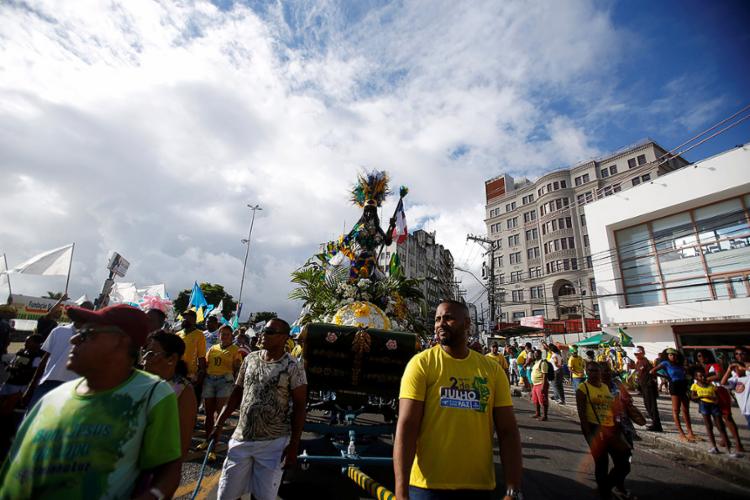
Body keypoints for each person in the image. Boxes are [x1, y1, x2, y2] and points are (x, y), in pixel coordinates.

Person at [0, 304, 181, 499]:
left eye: (88, 333)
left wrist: (153, 495)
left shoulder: (153, 394)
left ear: (120, 342)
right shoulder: (53, 398)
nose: (74, 339)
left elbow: (168, 469)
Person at [394, 300, 523, 500]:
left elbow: (508, 432)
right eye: (437, 319)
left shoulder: (492, 370)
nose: (440, 324)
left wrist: (512, 489)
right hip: (426, 488)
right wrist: (401, 492)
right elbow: (407, 427)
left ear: (467, 324)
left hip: (479, 488)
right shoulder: (421, 364)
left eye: (449, 318)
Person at [211, 318, 307, 500]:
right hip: (242, 439)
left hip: (274, 443)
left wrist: (294, 445)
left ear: (284, 337)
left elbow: (301, 407)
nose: (263, 335)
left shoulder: (293, 366)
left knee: (262, 496)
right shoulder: (250, 359)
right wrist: (218, 424)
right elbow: (236, 394)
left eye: (270, 332)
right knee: (226, 495)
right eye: (263, 331)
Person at [23, 301, 96, 411]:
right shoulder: (58, 331)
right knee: (32, 421)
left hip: (73, 388)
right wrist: (31, 386)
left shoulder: (94, 337)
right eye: (82, 310)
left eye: (88, 311)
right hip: (47, 384)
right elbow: (45, 360)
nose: (84, 314)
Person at [576, 362, 633, 500]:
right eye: (590, 370)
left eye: (596, 370)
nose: (593, 373)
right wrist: (589, 435)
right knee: (602, 464)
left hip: (611, 429)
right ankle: (605, 494)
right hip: (594, 428)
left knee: (624, 464)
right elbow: (582, 415)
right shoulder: (583, 389)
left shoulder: (605, 388)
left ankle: (604, 488)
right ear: (586, 371)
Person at [142, 330, 198, 458]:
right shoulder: (137, 381)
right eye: (144, 352)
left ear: (171, 359)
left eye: (151, 354)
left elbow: (182, 444)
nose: (145, 358)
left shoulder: (183, 391)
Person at [200, 325, 241, 460]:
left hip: (225, 382)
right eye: (222, 334)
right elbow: (206, 363)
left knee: (219, 415)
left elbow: (237, 368)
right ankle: (207, 440)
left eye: (227, 334)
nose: (224, 337)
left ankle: (214, 447)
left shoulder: (236, 350)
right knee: (208, 413)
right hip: (210, 380)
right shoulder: (212, 348)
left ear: (232, 336)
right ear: (219, 335)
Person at [697, 349, 744, 452]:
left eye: (701, 356)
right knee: (716, 418)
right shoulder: (700, 368)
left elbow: (719, 375)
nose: (699, 358)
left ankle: (738, 443)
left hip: (719, 391)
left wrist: (706, 379)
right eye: (698, 356)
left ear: (707, 356)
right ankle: (724, 439)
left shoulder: (715, 365)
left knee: (727, 417)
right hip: (707, 394)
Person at [650, 348, 696, 442]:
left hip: (683, 385)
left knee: (685, 410)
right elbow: (652, 371)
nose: (673, 356)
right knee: (676, 410)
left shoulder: (679, 364)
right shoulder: (665, 363)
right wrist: (666, 377)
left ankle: (690, 432)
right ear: (667, 356)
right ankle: (681, 433)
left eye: (674, 355)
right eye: (670, 355)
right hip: (674, 385)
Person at [690, 366, 735, 456]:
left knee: (720, 426)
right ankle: (714, 447)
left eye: (703, 376)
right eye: (700, 376)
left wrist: (715, 399)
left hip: (714, 405)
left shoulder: (711, 385)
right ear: (696, 378)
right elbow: (692, 397)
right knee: (709, 426)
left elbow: (717, 396)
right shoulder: (694, 386)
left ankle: (729, 449)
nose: (702, 378)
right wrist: (701, 397)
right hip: (703, 405)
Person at [177, 310, 206, 405]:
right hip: (177, 373)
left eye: (188, 317)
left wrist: (201, 374)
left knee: (189, 403)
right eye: (184, 317)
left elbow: (201, 356)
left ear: (194, 320)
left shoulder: (199, 335)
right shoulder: (177, 334)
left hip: (191, 375)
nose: (184, 320)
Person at [633, 346, 661, 432]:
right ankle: (654, 422)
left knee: (652, 406)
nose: (636, 355)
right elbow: (638, 372)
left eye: (637, 354)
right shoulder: (638, 362)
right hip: (643, 386)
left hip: (649, 386)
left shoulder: (646, 362)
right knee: (647, 405)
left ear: (642, 353)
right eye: (635, 354)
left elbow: (652, 373)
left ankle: (657, 425)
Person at [721, 360, 750, 429]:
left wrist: (743, 368)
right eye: (733, 369)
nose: (735, 370)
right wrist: (728, 370)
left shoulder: (748, 377)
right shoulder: (735, 379)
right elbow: (723, 383)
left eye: (736, 367)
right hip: (745, 410)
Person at [531, 349, 550, 421]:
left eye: (537, 354)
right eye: (535, 354)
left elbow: (545, 375)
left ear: (540, 354)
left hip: (540, 383)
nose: (535, 355)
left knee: (543, 400)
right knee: (536, 400)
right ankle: (537, 413)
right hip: (535, 384)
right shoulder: (536, 362)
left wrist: (543, 385)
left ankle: (545, 416)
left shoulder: (543, 363)